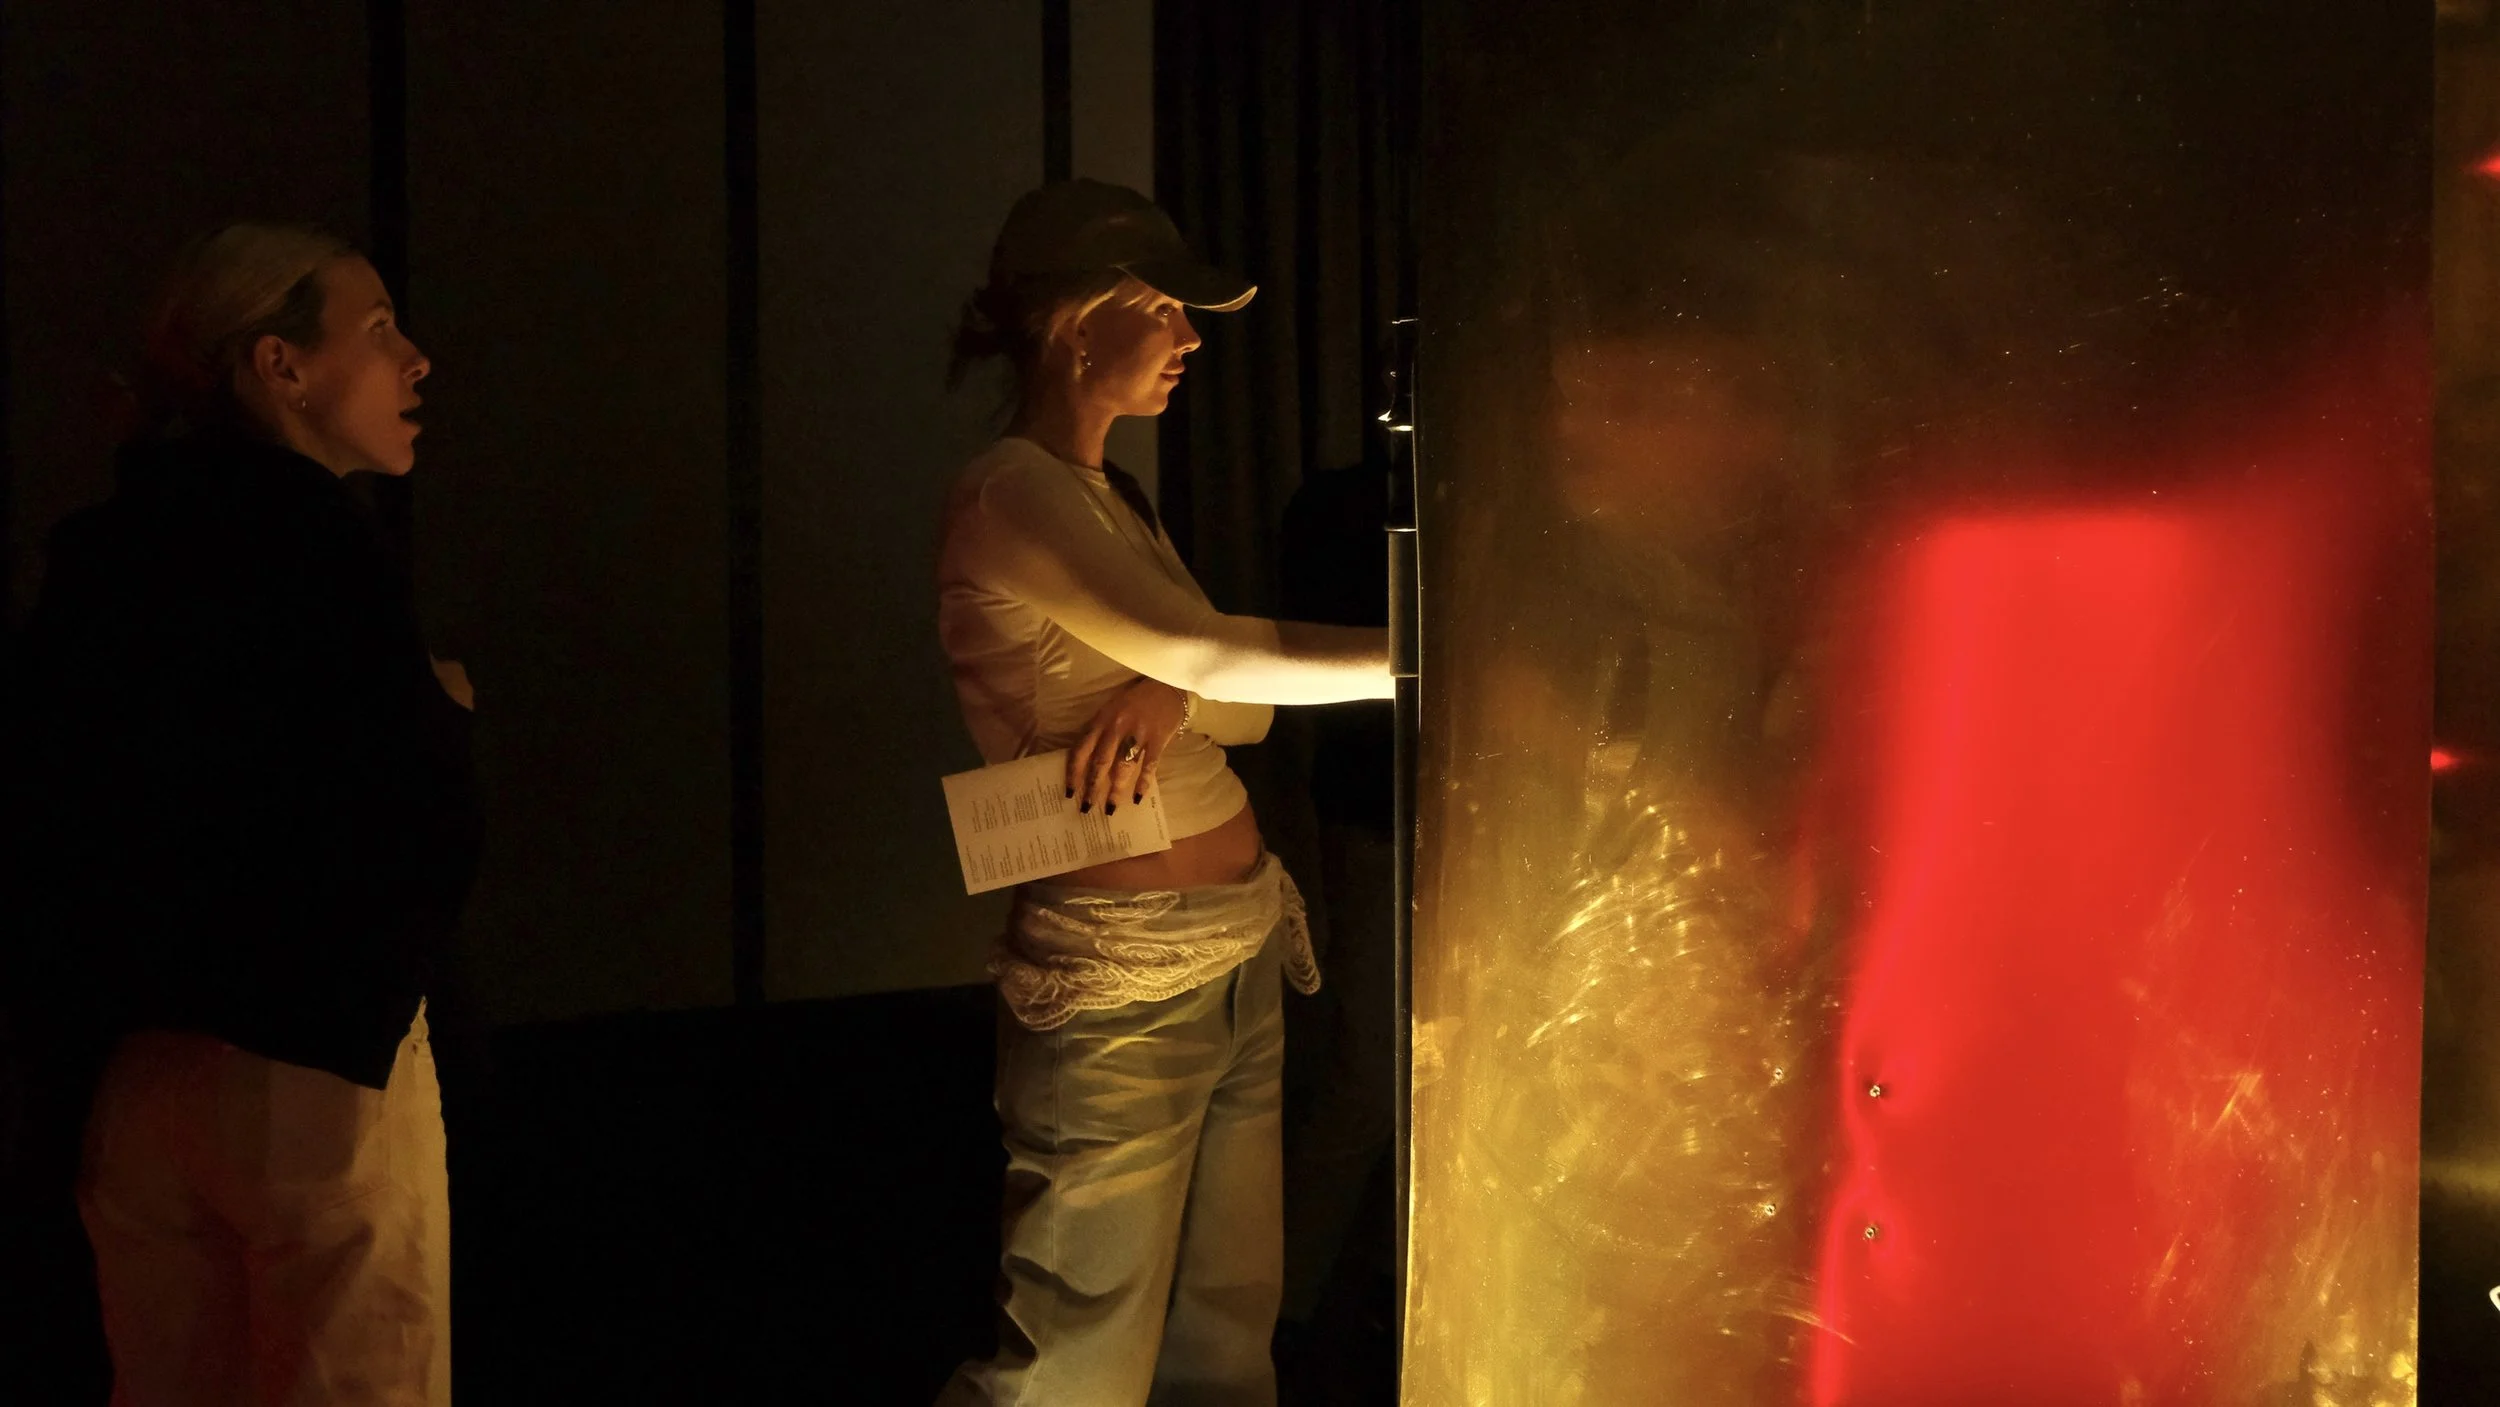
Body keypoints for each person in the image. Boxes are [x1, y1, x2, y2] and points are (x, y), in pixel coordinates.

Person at [932, 180, 1392, 1407]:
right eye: (1165, 310)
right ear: (1081, 323)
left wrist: (1174, 694)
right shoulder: (1011, 490)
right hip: (1119, 970)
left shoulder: (1109, 497)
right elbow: (1206, 653)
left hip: (1231, 941)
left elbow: (1227, 697)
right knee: (1079, 1347)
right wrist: (1417, 647)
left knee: (1223, 1333)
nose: (1189, 338)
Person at [6, 222, 479, 1406]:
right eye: (377, 333)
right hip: (313, 1070)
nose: (417, 361)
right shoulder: (320, 541)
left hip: (132, 1082)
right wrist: (436, 707)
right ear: (281, 366)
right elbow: (406, 810)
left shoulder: (99, 549)